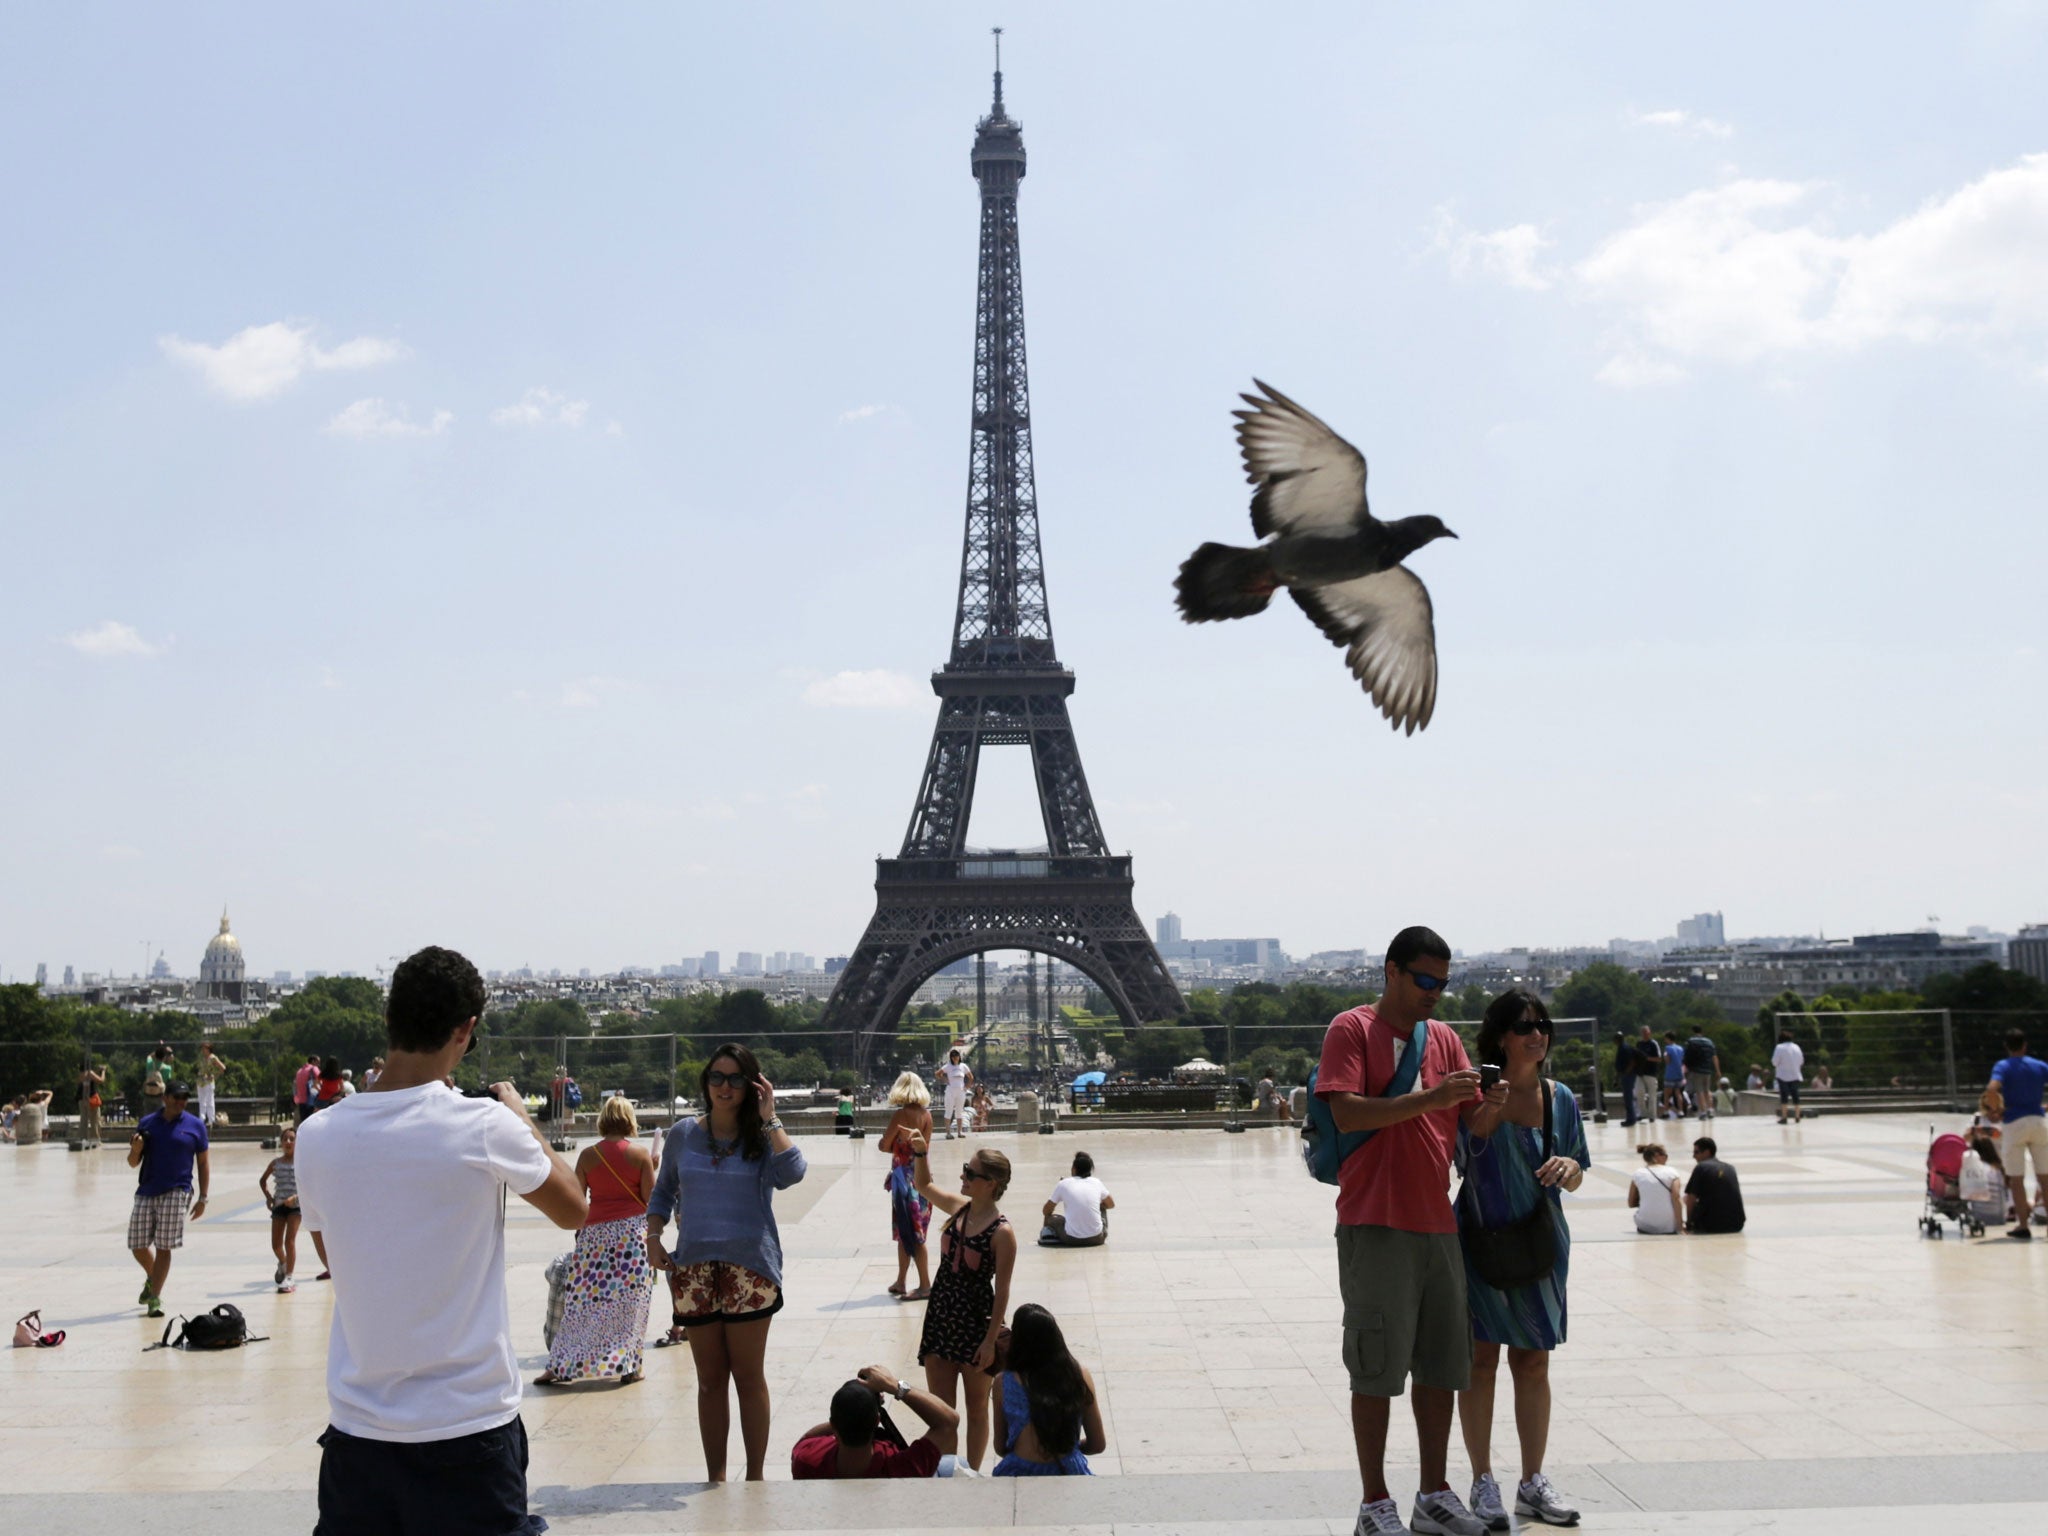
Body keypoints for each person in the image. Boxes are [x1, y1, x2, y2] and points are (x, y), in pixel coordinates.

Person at [296, 945, 586, 1536]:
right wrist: (519, 1116)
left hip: (360, 1432)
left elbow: (337, 1258)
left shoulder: (318, 1135)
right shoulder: (482, 1125)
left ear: (390, 1019)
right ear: (466, 1030)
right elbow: (574, 1209)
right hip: (468, 1428)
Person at [1315, 926, 1496, 1536]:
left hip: (1436, 1224)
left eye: (1443, 983)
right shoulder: (1352, 1029)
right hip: (1375, 1220)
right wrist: (1432, 1097)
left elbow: (1475, 1127)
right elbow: (1345, 1111)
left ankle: (1434, 1493)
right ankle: (1373, 1503)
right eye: (1424, 980)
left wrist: (1501, 1094)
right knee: (1376, 1369)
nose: (1435, 994)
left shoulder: (1444, 1038)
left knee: (1440, 1366)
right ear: (1391, 971)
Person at [1455, 989, 1588, 1529]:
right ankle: (1483, 1481)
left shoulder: (1561, 1099)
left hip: (1541, 1246)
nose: (1538, 1034)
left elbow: (1580, 1169)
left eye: (1543, 1025)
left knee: (1533, 1362)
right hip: (1481, 1240)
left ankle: (1533, 1482)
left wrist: (1567, 1168)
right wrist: (1488, 1110)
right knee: (1480, 1360)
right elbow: (1464, 1157)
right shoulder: (1476, 1091)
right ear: (1502, 1037)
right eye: (1525, 1026)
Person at [646, 1043, 807, 1483]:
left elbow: (793, 1172)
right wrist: (654, 1234)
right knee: (709, 1380)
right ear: (705, 1082)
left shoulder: (760, 1139)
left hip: (748, 1267)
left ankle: (754, 1476)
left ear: (752, 1086)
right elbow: (663, 1192)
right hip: (694, 1267)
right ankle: (716, 1476)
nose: (724, 1086)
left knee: (748, 1378)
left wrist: (770, 1116)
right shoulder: (683, 1134)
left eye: (736, 1079)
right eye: (716, 1077)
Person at [910, 1132, 1016, 1472]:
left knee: (975, 1408)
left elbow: (1002, 1291)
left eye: (970, 1174)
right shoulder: (959, 1209)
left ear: (992, 1183)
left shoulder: (1003, 1232)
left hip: (976, 1323)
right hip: (941, 1315)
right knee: (941, 1410)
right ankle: (947, 1471)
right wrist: (921, 1151)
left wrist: (989, 1342)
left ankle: (970, 1472)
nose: (963, 1178)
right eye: (964, 1170)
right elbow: (923, 1184)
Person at [537, 1096, 656, 1386]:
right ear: (629, 1119)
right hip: (631, 1237)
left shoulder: (589, 1156)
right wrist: (653, 1167)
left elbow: (577, 1199)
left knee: (582, 1302)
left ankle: (561, 1365)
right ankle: (631, 1366)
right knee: (631, 1303)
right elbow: (651, 1201)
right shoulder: (640, 1155)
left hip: (594, 1237)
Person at [991, 1302, 1106, 1476]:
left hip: (1020, 1471)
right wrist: (1072, 1449)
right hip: (1068, 1471)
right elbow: (1097, 1444)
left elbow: (1001, 1447)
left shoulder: (1004, 1381)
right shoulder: (1079, 1375)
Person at [126, 1080, 209, 1318]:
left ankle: (155, 1298)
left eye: (184, 1097)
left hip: (178, 1189)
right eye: (176, 1097)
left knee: (164, 1245)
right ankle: (153, 1277)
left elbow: (203, 1162)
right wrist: (136, 1150)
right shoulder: (147, 1124)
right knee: (137, 1243)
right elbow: (133, 1163)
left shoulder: (195, 1126)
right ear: (165, 1098)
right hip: (147, 1189)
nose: (181, 1101)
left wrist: (203, 1197)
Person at [790, 1363, 959, 1478]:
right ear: (877, 1420)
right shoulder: (903, 1467)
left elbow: (806, 1438)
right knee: (952, 1464)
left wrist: (849, 1416)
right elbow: (948, 1422)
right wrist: (894, 1386)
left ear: (834, 1425)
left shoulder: (806, 1461)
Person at [879, 1070, 935, 1301]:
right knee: (908, 1232)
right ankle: (901, 1281)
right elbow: (924, 1147)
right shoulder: (927, 1116)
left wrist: (886, 1143)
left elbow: (885, 1145)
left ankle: (924, 1285)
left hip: (904, 1182)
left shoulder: (901, 1115)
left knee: (913, 1234)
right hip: (922, 1178)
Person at [1988, 1030, 2048, 1241]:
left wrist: (1995, 1110)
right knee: (2045, 1177)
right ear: (2025, 1045)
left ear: (2007, 1046)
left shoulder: (2003, 1066)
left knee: (2016, 1178)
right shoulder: (2039, 1065)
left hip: (2014, 1122)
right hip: (2038, 1121)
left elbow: (1992, 1088)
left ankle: (2023, 1225)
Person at [1039, 1150, 1114, 1247]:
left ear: (1074, 1169)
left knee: (1050, 1217)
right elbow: (1111, 1204)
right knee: (1102, 1206)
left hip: (1071, 1239)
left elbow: (1046, 1210)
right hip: (1097, 1239)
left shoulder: (1064, 1184)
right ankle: (1095, 1227)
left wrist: (1064, 1194)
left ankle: (1048, 1237)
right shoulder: (1096, 1182)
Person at [260, 1126, 303, 1291]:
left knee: (289, 1241)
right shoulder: (275, 1163)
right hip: (278, 1206)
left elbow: (309, 1185)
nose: (288, 1142)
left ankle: (290, 1277)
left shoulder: (301, 1163)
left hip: (295, 1208)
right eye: (285, 1139)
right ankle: (283, 1263)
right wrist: (269, 1198)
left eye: (292, 1139)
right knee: (276, 1245)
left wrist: (296, 1197)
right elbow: (262, 1181)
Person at [1684, 1137, 1746, 1233]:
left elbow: (1691, 1198)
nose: (1693, 1156)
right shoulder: (1730, 1168)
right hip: (1736, 1224)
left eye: (1696, 1152)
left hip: (1711, 1225)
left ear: (1707, 1152)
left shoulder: (1701, 1167)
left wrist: (1689, 1224)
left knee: (1686, 1198)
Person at [1628, 1144, 1682, 1236]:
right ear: (1656, 1155)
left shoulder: (1637, 1174)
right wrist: (1680, 1227)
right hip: (1669, 1225)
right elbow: (1676, 1197)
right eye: (1665, 1155)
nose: (1667, 1157)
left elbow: (1631, 1203)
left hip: (1644, 1224)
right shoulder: (1672, 1172)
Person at [937, 1048, 974, 1139]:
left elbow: (971, 1077)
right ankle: (948, 1132)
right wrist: (946, 1080)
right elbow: (938, 1073)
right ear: (951, 1058)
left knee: (959, 1111)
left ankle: (959, 1132)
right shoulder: (948, 1066)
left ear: (959, 1056)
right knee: (949, 1111)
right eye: (953, 1056)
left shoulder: (963, 1066)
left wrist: (967, 1087)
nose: (955, 1058)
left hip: (961, 1091)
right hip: (950, 1090)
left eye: (956, 1056)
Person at [1771, 1031, 1806, 1124]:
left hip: (1783, 1075)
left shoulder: (1779, 1047)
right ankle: (1797, 1115)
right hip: (1795, 1074)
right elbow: (1801, 1061)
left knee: (1784, 1097)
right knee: (1796, 1096)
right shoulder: (1796, 1047)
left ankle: (1784, 1116)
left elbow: (1774, 1062)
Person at [1631, 1027, 1661, 1125]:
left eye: (1646, 1032)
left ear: (1649, 1033)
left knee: (1652, 1095)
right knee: (1639, 1093)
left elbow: (1659, 1058)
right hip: (1640, 1073)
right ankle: (1643, 1113)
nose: (1644, 1034)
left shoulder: (1653, 1044)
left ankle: (1652, 1116)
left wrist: (1647, 1058)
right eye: (1643, 1032)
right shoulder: (1639, 1044)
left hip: (1651, 1073)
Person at [77, 1058, 106, 1146]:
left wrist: (97, 1071)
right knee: (95, 1120)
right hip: (91, 1099)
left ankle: (83, 1138)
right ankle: (95, 1140)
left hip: (81, 1099)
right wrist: (103, 1071)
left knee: (84, 1120)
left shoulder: (81, 1074)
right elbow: (101, 1080)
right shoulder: (90, 1072)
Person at [195, 1044, 226, 1126]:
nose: (202, 1050)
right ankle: (201, 1119)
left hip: (208, 1082)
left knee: (209, 1101)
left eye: (204, 1048)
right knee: (201, 1101)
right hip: (201, 1081)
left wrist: (214, 1075)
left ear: (208, 1049)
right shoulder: (202, 1058)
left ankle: (211, 1120)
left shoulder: (213, 1058)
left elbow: (223, 1068)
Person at [1612, 1033, 1638, 1128]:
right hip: (1626, 1075)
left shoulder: (1624, 1049)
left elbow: (1632, 1062)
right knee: (1627, 1098)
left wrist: (1626, 1073)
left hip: (1628, 1076)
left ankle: (1631, 1119)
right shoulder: (1622, 1048)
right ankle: (1630, 1118)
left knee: (1628, 1098)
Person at [1660, 1033, 1685, 1118]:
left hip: (1670, 1074)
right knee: (1678, 1093)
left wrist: (1664, 1055)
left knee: (1667, 1094)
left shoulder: (1668, 1048)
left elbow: (1667, 1061)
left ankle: (1666, 1111)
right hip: (1679, 1074)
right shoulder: (1680, 1048)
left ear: (1668, 1039)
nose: (1664, 1040)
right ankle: (1680, 1111)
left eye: (1665, 1039)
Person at [293, 1054, 320, 1123]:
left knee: (304, 1122)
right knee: (312, 1122)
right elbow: (321, 1081)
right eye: (318, 1062)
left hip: (301, 1101)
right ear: (313, 1061)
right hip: (311, 1101)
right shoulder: (314, 1069)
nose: (319, 1064)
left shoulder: (299, 1071)